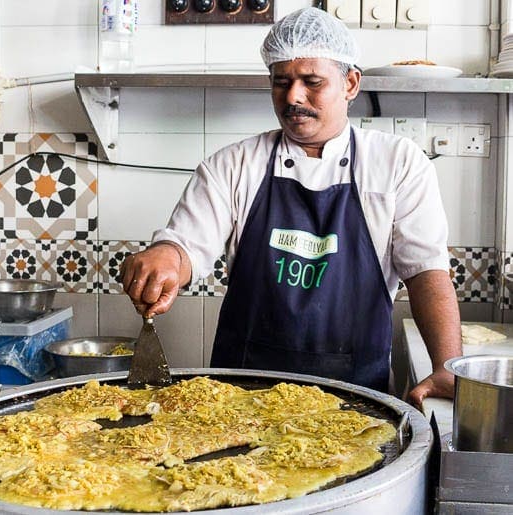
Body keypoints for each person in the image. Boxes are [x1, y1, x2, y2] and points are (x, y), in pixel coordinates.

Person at [120, 7, 461, 406]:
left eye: (311, 82)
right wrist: (165, 256)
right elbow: (186, 246)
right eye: (281, 82)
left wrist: (447, 366)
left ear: (350, 83)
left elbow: (426, 272)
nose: (293, 97)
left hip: (355, 399)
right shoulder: (233, 165)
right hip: (240, 398)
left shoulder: (397, 163)